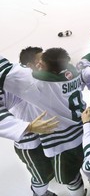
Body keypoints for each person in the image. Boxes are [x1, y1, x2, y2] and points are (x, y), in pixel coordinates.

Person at [0, 49, 90, 196]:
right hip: (36, 138)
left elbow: (7, 73)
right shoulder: (68, 71)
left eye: (42, 62)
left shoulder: (35, 81)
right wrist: (26, 127)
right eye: (39, 61)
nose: (41, 64)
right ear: (29, 65)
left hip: (54, 136)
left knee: (61, 176)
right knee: (44, 177)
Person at [8, 46, 58, 196]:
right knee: (41, 177)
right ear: (30, 65)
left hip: (42, 134)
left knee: (47, 171)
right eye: (40, 59)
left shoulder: (38, 77)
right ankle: (40, 193)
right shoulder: (18, 83)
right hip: (28, 143)